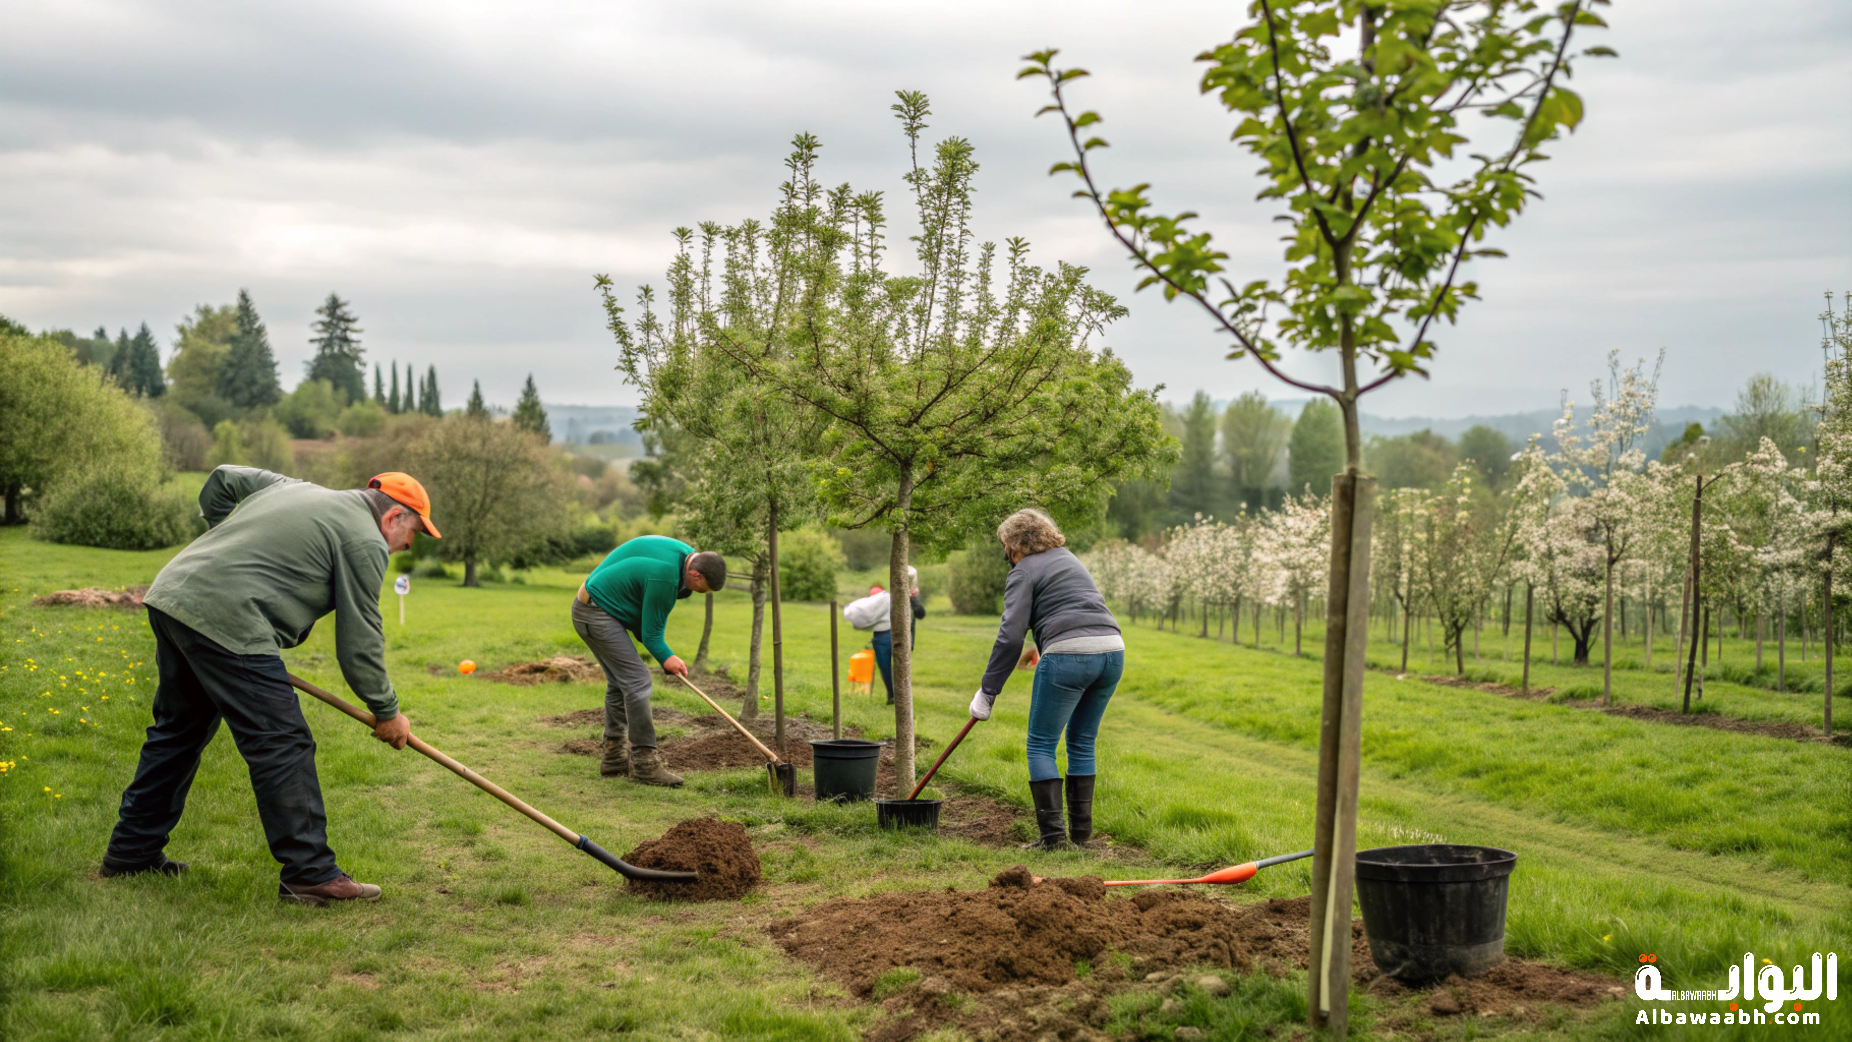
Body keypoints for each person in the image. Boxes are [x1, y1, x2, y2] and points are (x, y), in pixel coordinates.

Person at [103, 466, 438, 906]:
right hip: (230, 619)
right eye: (411, 535)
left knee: (178, 732)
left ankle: (131, 852)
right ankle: (311, 874)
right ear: (394, 517)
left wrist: (223, 539)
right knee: (281, 741)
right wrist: (388, 710)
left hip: (175, 595)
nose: (406, 546)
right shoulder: (365, 539)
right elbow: (360, 641)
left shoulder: (294, 488)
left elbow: (223, 478)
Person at [967, 509, 1123, 850]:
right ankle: (1081, 838)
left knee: (1040, 744)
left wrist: (987, 692)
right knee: (1082, 741)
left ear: (1013, 544)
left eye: (1004, 546)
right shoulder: (1068, 559)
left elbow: (1010, 637)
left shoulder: (1023, 571)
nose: (1005, 553)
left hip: (1069, 654)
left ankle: (1053, 840)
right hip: (1113, 650)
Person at [574, 534, 727, 786]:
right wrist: (668, 658)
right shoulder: (666, 576)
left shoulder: (686, 557)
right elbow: (651, 634)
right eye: (704, 589)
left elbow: (644, 623)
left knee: (620, 682)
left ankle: (613, 758)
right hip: (596, 613)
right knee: (637, 681)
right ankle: (645, 763)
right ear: (696, 575)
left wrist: (665, 655)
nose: (700, 593)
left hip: (594, 606)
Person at [842, 567, 924, 706]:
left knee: (896, 669)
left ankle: (896, 697)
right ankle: (894, 696)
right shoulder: (888, 599)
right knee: (891, 669)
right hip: (883, 637)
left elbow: (920, 613)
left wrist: (914, 597)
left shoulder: (902, 598)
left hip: (895, 636)